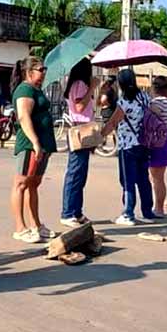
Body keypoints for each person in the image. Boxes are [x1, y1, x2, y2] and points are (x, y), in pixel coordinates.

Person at [10, 56, 57, 243]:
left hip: (43, 145)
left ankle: (36, 225)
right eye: (40, 69)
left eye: (44, 69)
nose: (44, 73)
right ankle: (20, 228)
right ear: (29, 72)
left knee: (33, 185)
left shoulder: (36, 90)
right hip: (30, 145)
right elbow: (23, 117)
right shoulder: (24, 89)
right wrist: (35, 142)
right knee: (21, 184)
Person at [102, 69, 158, 225]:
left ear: (121, 83)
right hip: (144, 143)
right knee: (143, 179)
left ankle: (128, 213)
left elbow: (113, 122)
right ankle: (147, 212)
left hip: (128, 145)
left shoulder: (124, 102)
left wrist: (99, 136)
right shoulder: (144, 97)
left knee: (127, 180)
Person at [60, 58, 98, 228]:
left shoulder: (78, 84)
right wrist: (92, 87)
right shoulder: (79, 85)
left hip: (84, 129)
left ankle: (76, 211)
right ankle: (68, 212)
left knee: (81, 174)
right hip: (79, 130)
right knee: (75, 173)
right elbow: (80, 107)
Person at [148, 76, 167, 216]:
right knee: (159, 177)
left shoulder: (157, 102)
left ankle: (158, 209)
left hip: (158, 140)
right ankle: (159, 207)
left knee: (156, 178)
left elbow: (154, 114)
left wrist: (147, 105)